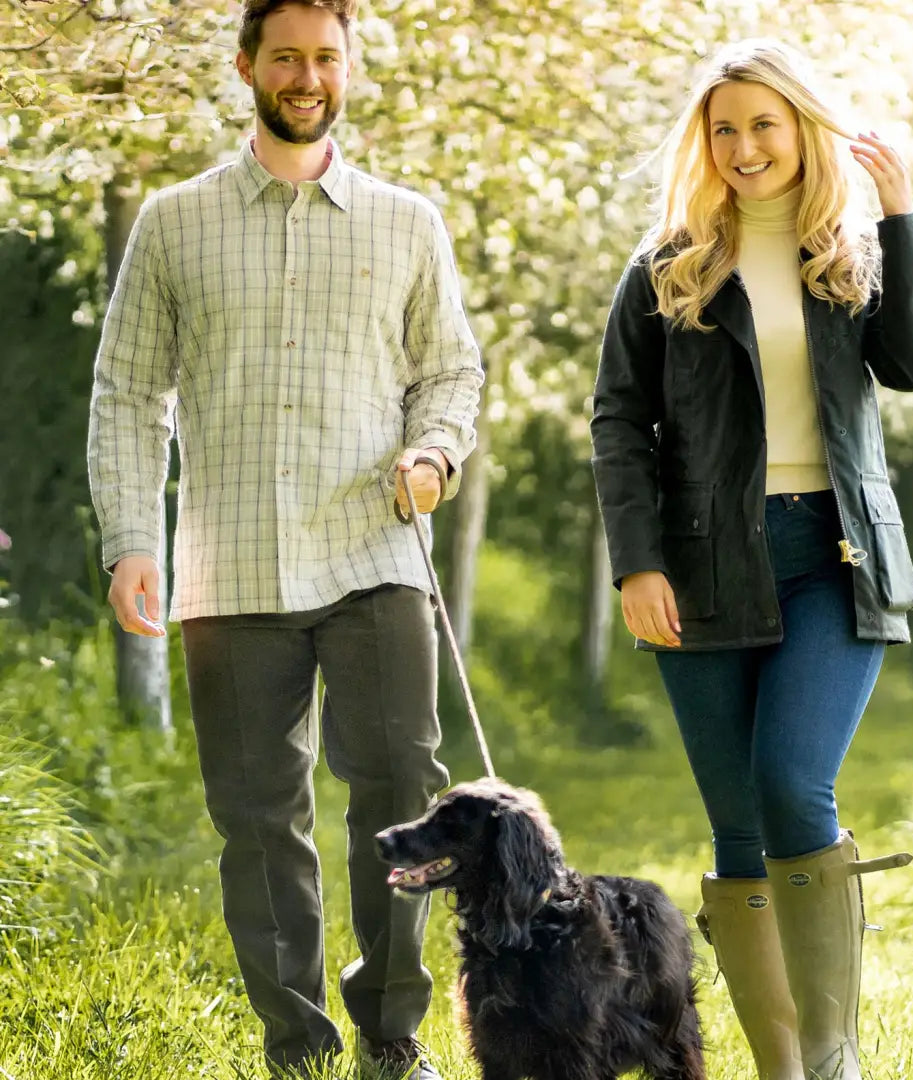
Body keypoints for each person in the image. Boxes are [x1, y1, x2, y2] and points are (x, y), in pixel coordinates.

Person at [87, 2, 483, 1077]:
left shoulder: (408, 223)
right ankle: (297, 1049)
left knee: (403, 793)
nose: (306, 76)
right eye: (285, 57)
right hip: (235, 565)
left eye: (324, 57)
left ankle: (392, 1039)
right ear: (247, 67)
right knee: (261, 821)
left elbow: (451, 371)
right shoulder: (173, 222)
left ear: (348, 69)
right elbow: (127, 392)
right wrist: (133, 540)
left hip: (375, 554)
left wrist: (434, 454)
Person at [590, 39, 913, 1080]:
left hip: (834, 555)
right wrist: (635, 563)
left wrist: (903, 213)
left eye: (765, 124)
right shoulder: (667, 266)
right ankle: (781, 1070)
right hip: (702, 567)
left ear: (802, 128)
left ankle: (830, 1061)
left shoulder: (853, 253)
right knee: (737, 826)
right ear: (706, 143)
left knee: (794, 785)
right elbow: (619, 420)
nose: (745, 148)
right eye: (725, 128)